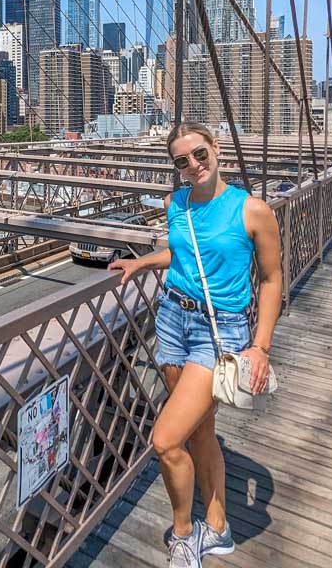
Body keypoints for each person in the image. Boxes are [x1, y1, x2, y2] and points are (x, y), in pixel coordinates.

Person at [109, 123, 283, 568]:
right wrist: (142, 261)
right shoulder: (176, 203)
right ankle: (220, 526)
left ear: (216, 149)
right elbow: (181, 253)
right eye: (181, 161)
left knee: (166, 440)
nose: (193, 165)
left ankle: (184, 534)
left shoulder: (252, 210)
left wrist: (260, 347)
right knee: (201, 430)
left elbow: (271, 280)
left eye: (199, 154)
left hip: (217, 331)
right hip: (171, 319)